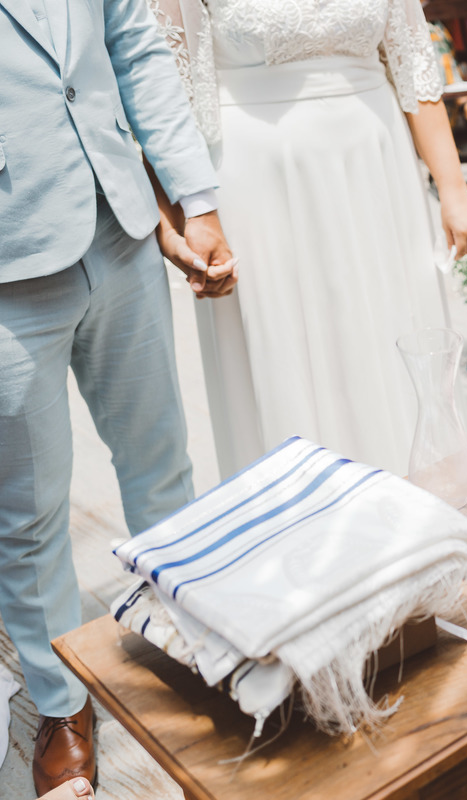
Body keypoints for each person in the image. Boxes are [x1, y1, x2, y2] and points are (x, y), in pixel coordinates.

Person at [0, 0, 234, 791]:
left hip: (122, 229)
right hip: (6, 264)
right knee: (28, 518)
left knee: (162, 463)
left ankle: (198, 647)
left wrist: (192, 201)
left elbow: (134, 50)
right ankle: (63, 703)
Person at [147, 0, 467, 479]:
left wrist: (452, 185)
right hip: (260, 180)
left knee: (392, 331)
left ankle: (420, 495)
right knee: (290, 347)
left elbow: (414, 66)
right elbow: (162, 89)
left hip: (377, 165)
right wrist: (184, 216)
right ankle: (309, 511)